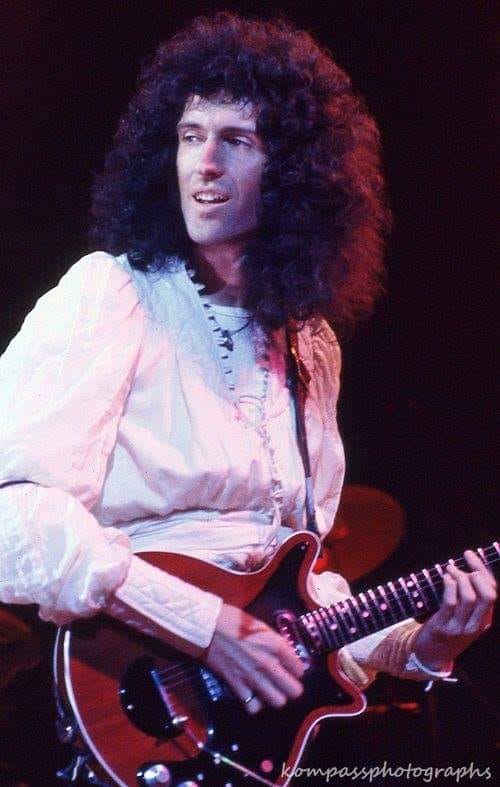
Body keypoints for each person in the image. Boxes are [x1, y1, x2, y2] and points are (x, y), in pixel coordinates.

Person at [0, 12, 495, 724]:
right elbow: (14, 511)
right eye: (190, 136)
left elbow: (302, 597)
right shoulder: (112, 293)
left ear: (295, 174)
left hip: (246, 720)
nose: (203, 164)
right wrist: (205, 625)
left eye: (236, 141)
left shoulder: (310, 345)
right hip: (133, 690)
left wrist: (421, 645)